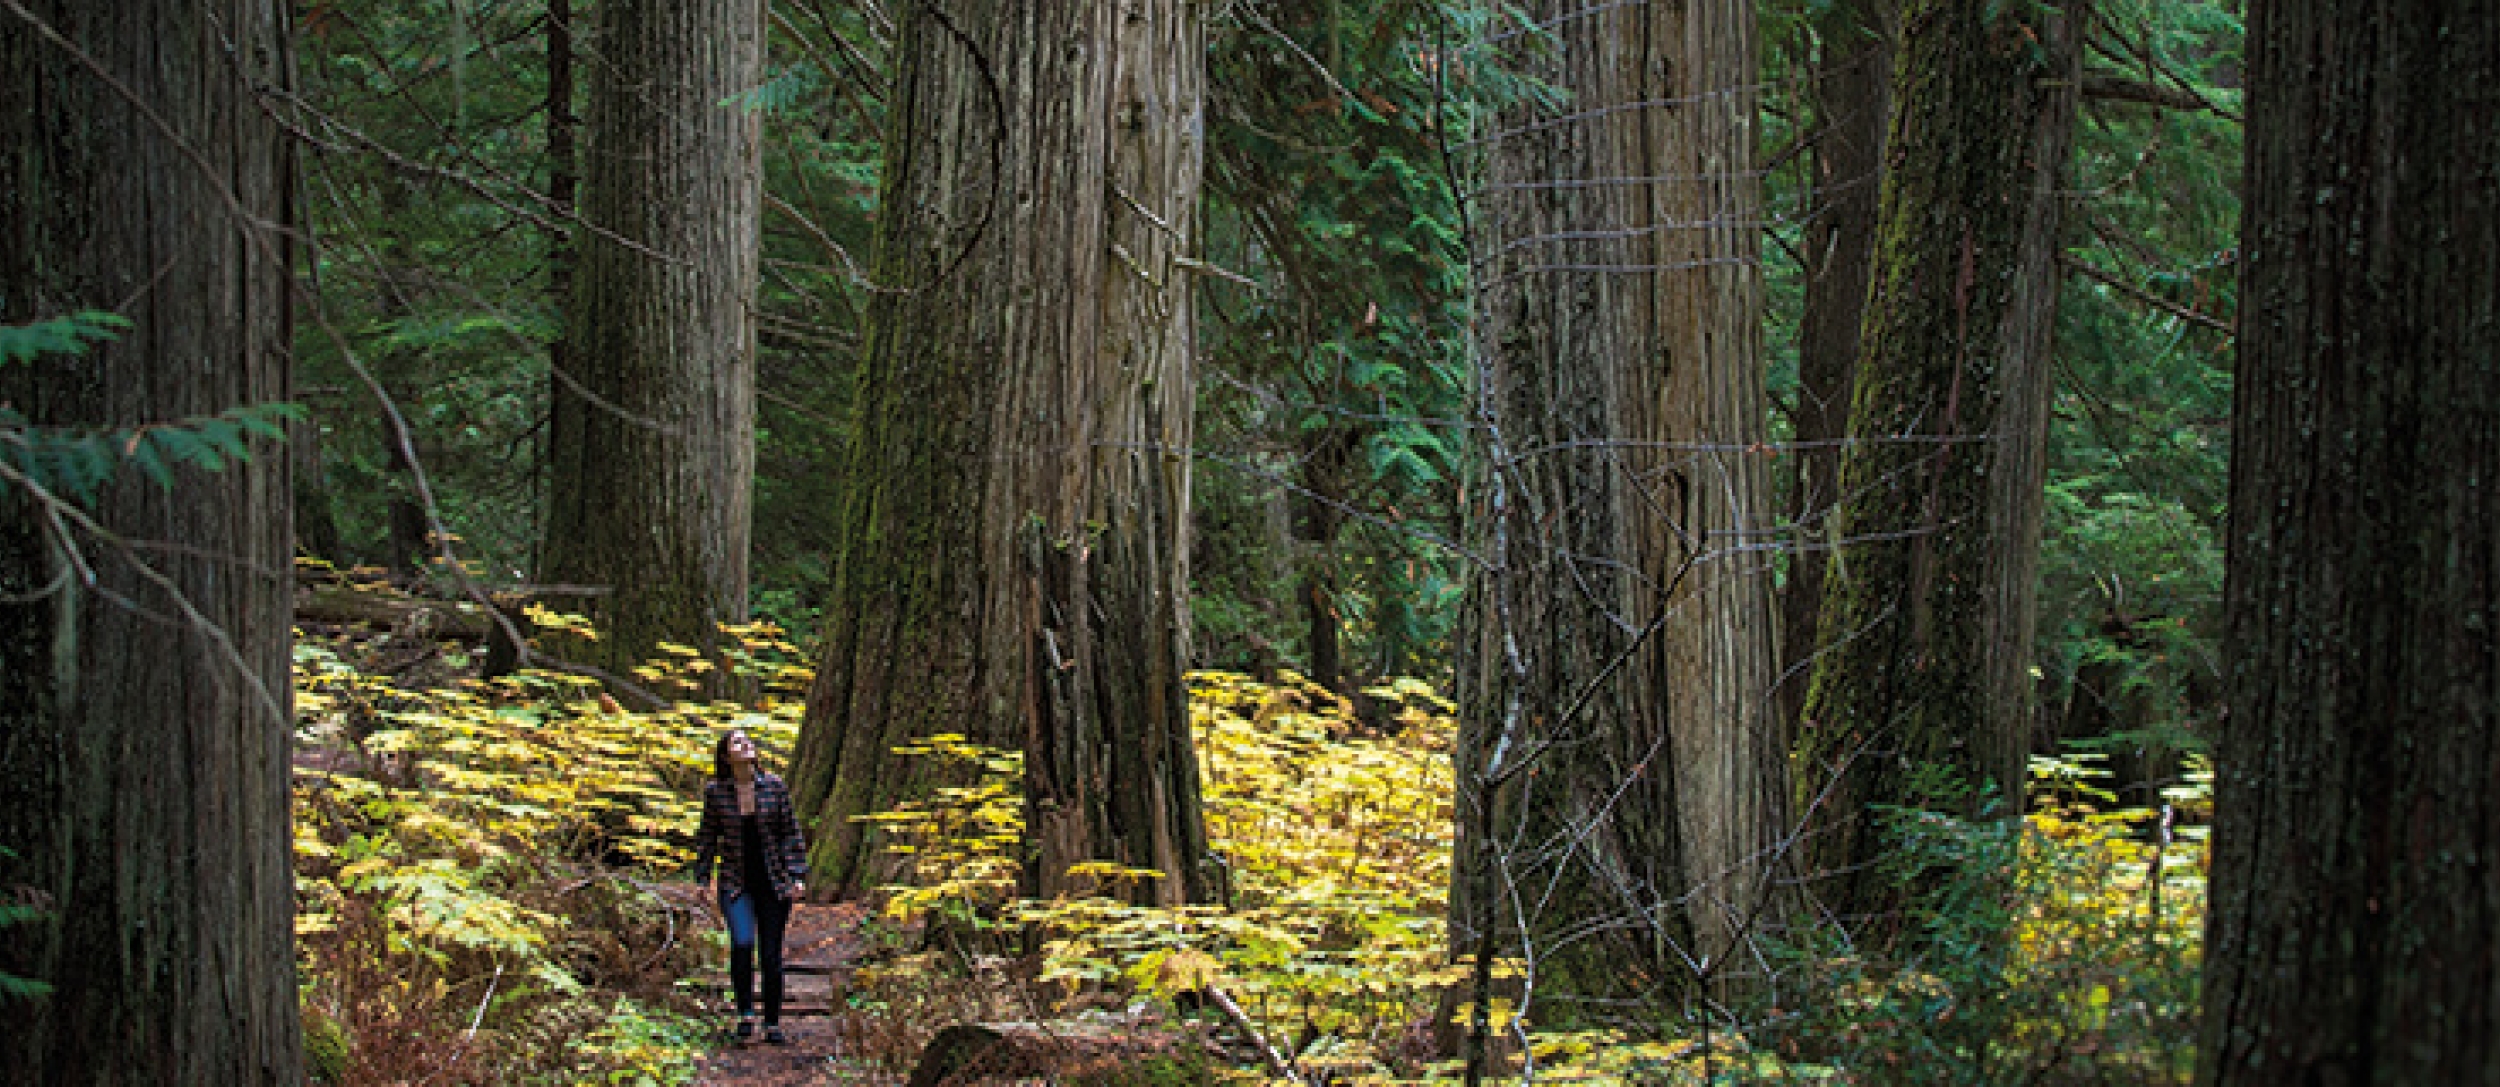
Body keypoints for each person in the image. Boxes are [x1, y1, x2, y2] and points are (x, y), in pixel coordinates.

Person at [691, 729, 808, 1044]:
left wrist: (797, 875)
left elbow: (790, 832)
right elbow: (707, 837)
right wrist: (702, 878)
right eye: (737, 743)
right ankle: (744, 1013)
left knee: (771, 953)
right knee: (742, 942)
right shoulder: (717, 793)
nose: (746, 746)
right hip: (735, 883)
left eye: (748, 741)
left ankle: (772, 1022)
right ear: (727, 756)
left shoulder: (774, 787)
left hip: (774, 883)